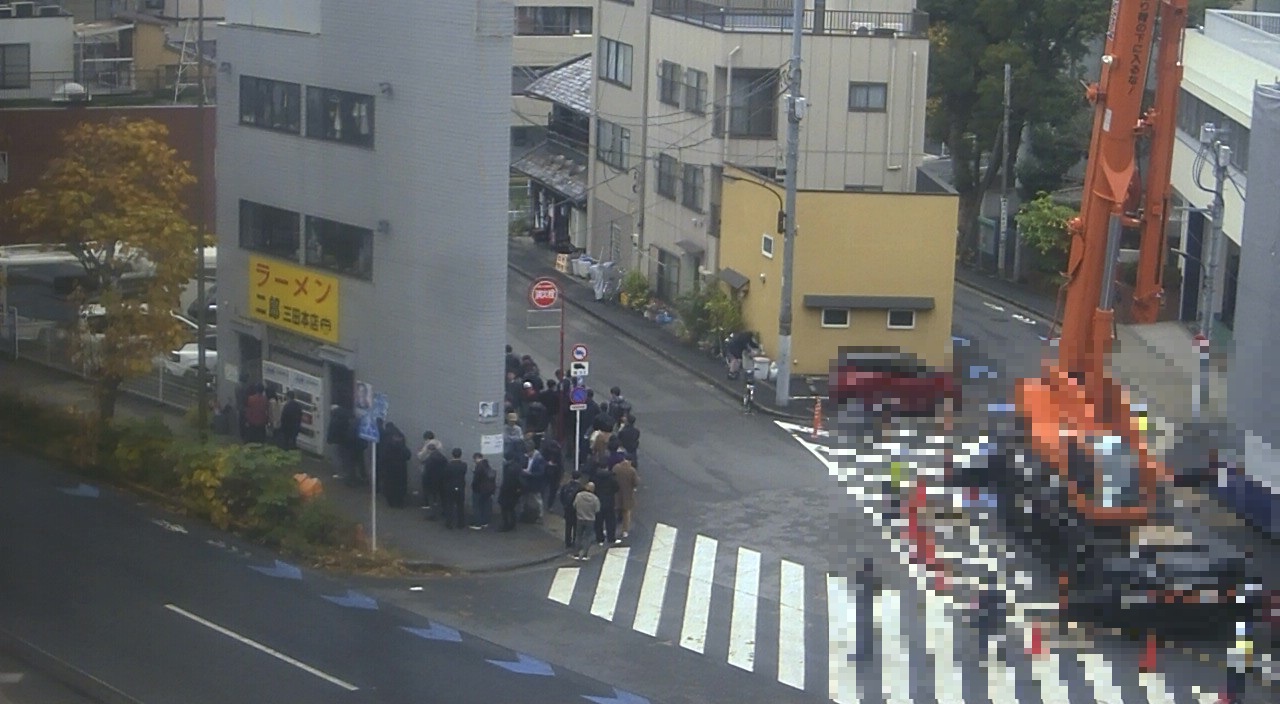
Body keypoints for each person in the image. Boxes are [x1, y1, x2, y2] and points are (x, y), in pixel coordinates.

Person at [379, 426, 411, 508]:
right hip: (401, 470)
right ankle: (399, 502)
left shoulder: (387, 447)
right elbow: (408, 456)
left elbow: (383, 458)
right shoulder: (403, 448)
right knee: (400, 487)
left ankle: (391, 502)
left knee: (390, 486)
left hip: (390, 471)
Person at [497, 442, 525, 532]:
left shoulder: (508, 469)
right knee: (512, 509)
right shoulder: (517, 466)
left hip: (507, 492)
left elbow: (507, 483)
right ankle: (512, 524)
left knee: (505, 510)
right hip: (514, 492)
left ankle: (506, 525)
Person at [593, 462, 620, 545]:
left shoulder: (594, 477)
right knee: (611, 521)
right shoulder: (611, 477)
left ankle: (599, 539)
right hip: (609, 501)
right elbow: (616, 488)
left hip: (598, 501)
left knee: (598, 521)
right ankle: (611, 538)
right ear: (607, 467)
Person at [572, 482, 601, 561]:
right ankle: (585, 554)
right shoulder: (595, 498)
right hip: (590, 520)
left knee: (578, 536)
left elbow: (574, 505)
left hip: (580, 518)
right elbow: (597, 510)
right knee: (588, 537)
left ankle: (576, 554)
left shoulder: (579, 495)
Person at [421, 442, 449, 521]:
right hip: (442, 481)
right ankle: (445, 511)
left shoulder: (429, 460)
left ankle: (432, 515)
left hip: (432, 482)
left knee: (432, 499)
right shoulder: (443, 457)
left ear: (429, 450)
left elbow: (427, 472)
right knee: (443, 497)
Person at [613, 458, 639, 539]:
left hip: (616, 493)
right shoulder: (632, 470)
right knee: (626, 513)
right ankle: (625, 531)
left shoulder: (616, 468)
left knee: (614, 512)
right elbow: (636, 482)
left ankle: (612, 529)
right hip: (627, 494)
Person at [442, 448, 469, 529]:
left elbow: (445, 476)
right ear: (460, 455)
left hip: (450, 486)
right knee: (460, 505)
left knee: (450, 505)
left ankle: (449, 523)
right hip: (460, 486)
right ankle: (461, 523)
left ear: (452, 454)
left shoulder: (448, 465)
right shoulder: (464, 465)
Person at [520, 444, 546, 522]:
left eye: (528, 453)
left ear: (532, 451)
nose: (527, 455)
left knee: (538, 500)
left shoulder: (539, 459)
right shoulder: (526, 457)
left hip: (535, 483)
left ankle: (540, 516)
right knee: (523, 498)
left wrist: (530, 474)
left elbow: (541, 473)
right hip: (526, 482)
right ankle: (523, 512)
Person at [470, 452, 497, 529]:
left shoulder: (479, 466)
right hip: (488, 490)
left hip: (479, 490)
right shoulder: (487, 465)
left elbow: (476, 480)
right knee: (485, 506)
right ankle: (485, 522)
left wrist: (473, 486)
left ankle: (478, 524)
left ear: (476, 458)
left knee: (477, 506)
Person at [558, 471, 584, 549]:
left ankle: (567, 542)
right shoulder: (581, 488)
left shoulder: (566, 486)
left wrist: (565, 505)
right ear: (579, 478)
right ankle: (575, 542)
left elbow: (561, 496)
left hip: (567, 509)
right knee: (577, 526)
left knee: (568, 526)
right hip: (576, 510)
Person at [540, 435, 564, 510]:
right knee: (549, 490)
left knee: (546, 490)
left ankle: (545, 505)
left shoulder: (546, 450)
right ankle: (548, 505)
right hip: (551, 473)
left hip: (551, 473)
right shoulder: (558, 452)